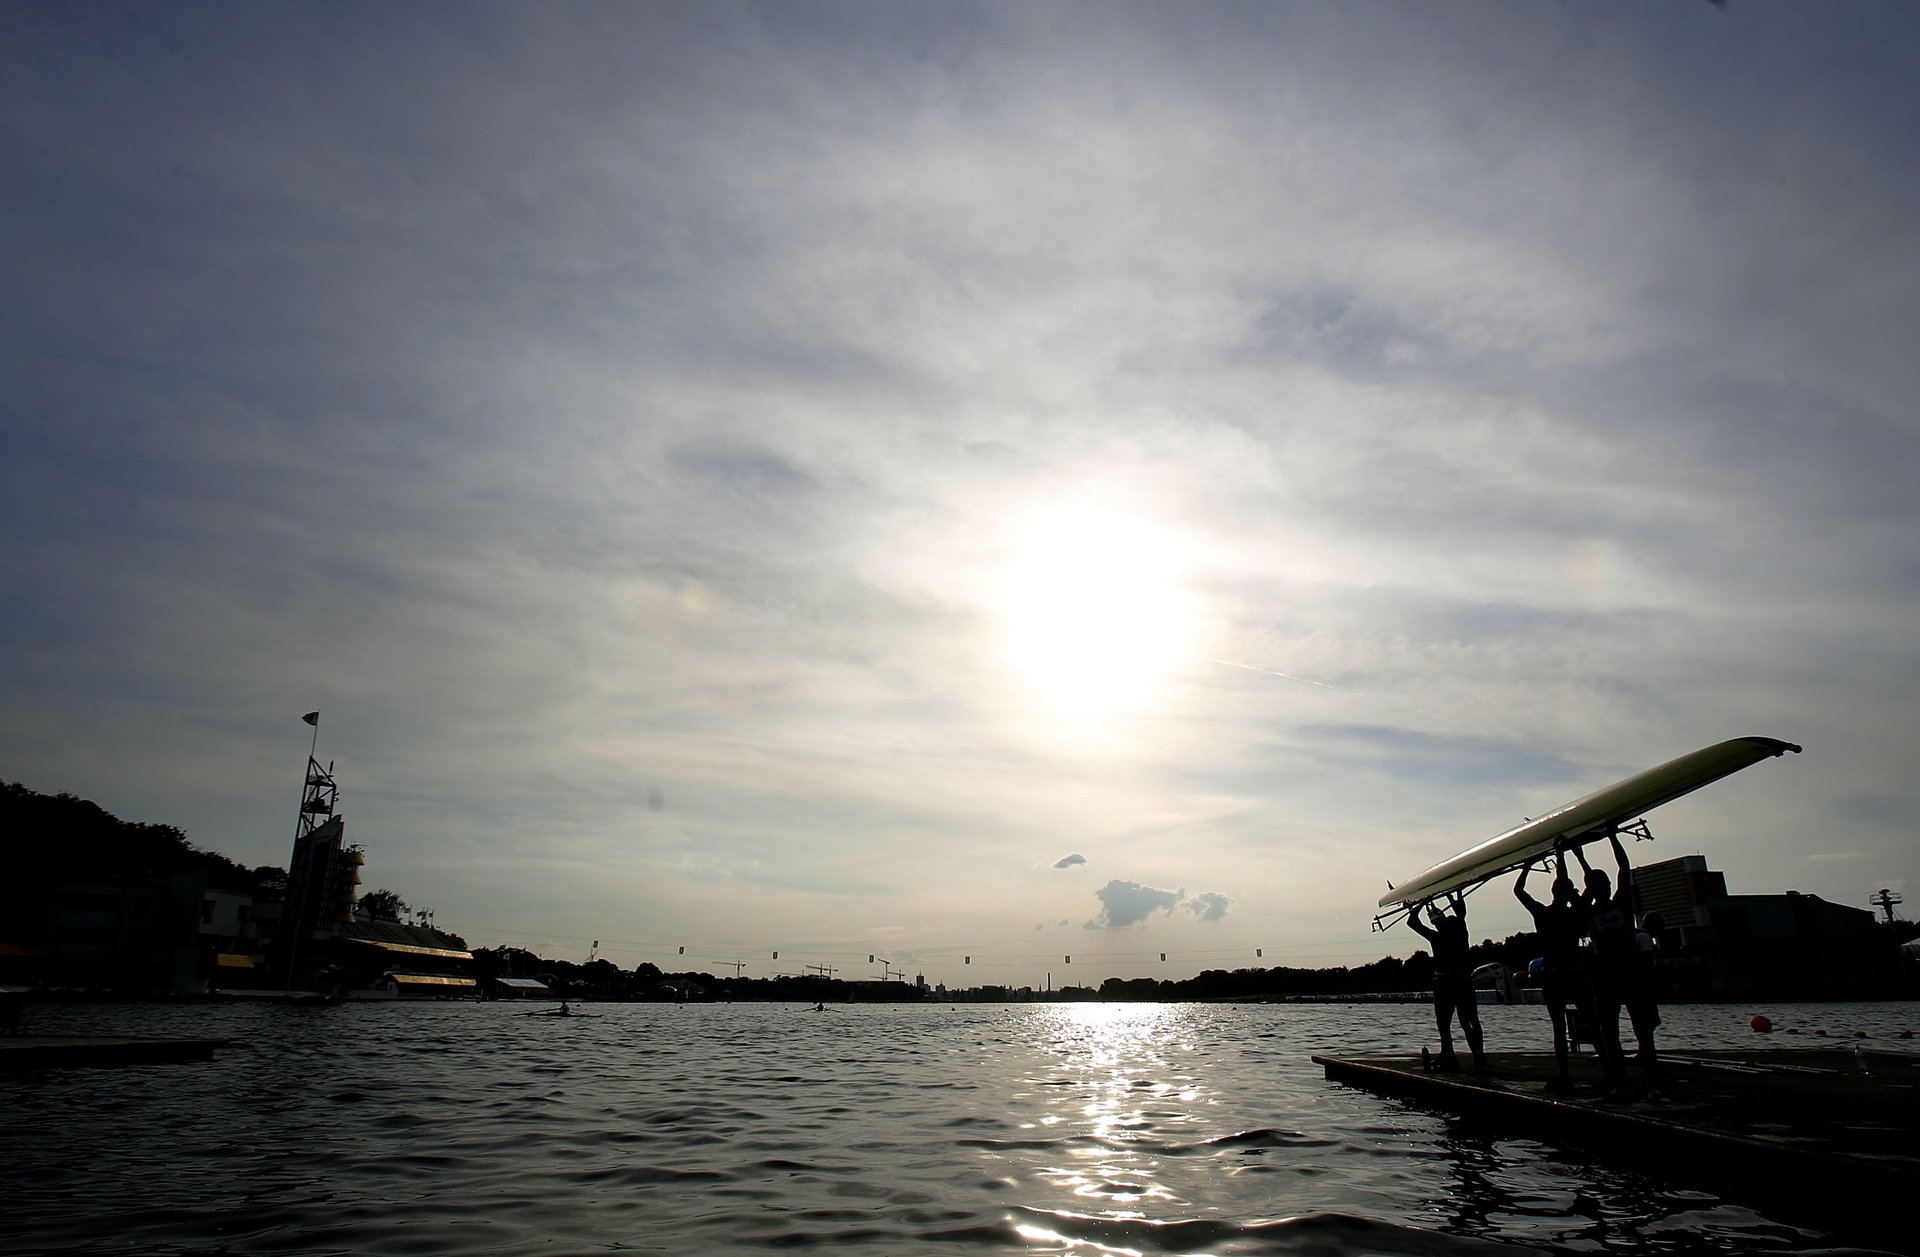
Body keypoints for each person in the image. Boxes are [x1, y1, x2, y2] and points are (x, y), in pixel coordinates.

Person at [1574, 832, 1665, 1101]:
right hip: (1606, 974)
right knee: (1608, 1033)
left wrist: (1613, 836)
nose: (1598, 887)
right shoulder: (1588, 911)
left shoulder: (1622, 903)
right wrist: (1577, 856)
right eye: (1594, 884)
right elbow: (1585, 882)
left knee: (1643, 1033)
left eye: (1602, 883)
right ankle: (1619, 1085)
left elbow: (1623, 869)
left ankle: (1652, 1087)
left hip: (1629, 971)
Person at [1515, 847, 1594, 1092]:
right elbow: (1587, 887)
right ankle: (1612, 1072)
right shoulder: (1575, 913)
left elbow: (1519, 891)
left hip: (1553, 974)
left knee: (1559, 1027)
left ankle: (1564, 1074)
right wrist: (1569, 857)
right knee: (1592, 1023)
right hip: (1573, 972)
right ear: (1569, 893)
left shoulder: (1543, 914)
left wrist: (1527, 866)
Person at [1407, 891, 1486, 1071]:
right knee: (1470, 1020)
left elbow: (1412, 922)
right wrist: (1453, 896)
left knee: (1444, 1023)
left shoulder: (1437, 937)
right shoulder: (1461, 932)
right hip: (1463, 981)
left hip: (1445, 983)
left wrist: (1420, 905)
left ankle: (1450, 1055)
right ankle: (1478, 1055)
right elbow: (1461, 913)